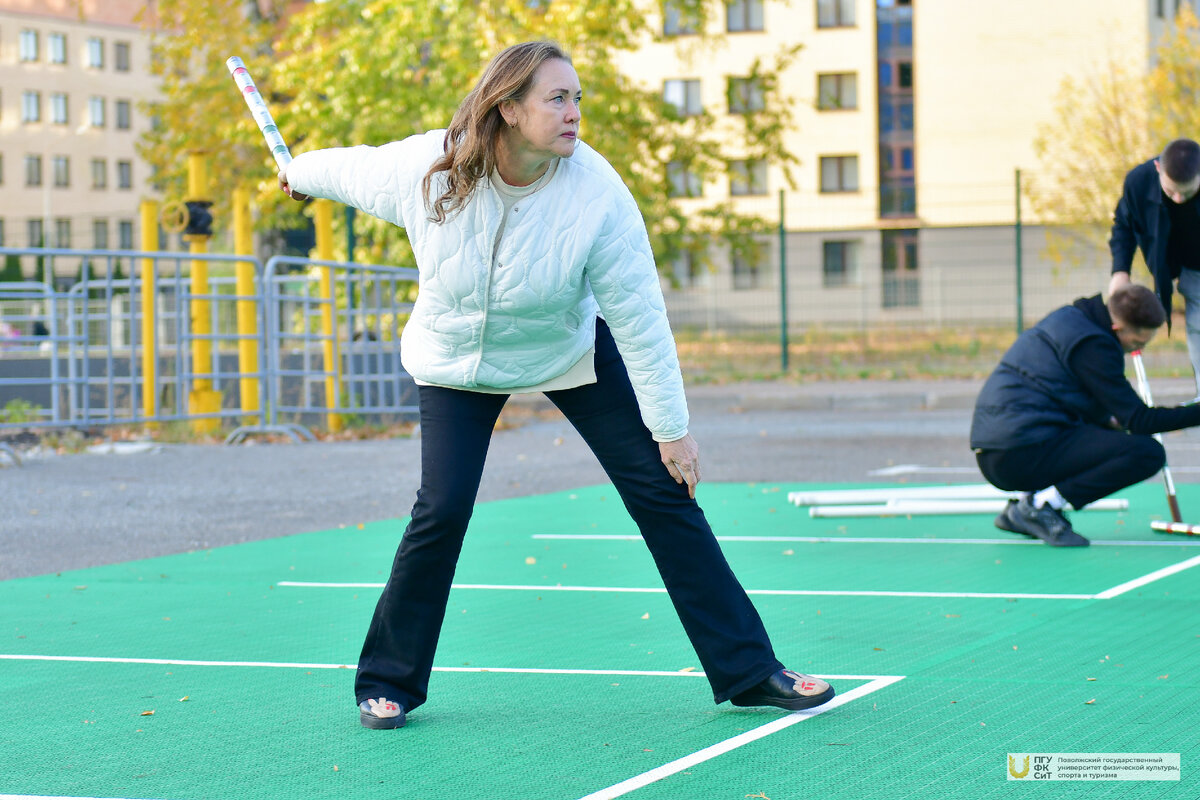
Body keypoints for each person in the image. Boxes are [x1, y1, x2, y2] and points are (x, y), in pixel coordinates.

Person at [278, 41, 834, 729]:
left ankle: (751, 671)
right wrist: (299, 172)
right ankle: (386, 681)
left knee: (666, 493)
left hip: (567, 351)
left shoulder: (598, 195)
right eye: (557, 99)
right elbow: (350, 169)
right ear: (508, 109)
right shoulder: (428, 168)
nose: (574, 114)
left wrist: (672, 430)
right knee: (442, 509)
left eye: (577, 99)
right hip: (458, 363)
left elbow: (640, 319)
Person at [970, 284, 1200, 547]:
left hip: (1002, 447)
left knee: (1113, 434)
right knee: (1147, 453)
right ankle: (1040, 505)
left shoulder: (1073, 318)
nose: (1140, 350)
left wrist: (1107, 421)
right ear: (1118, 328)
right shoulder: (1094, 345)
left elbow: (1067, 392)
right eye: (1137, 343)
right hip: (1018, 451)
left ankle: (1029, 504)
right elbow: (1140, 421)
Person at [1108, 138, 1200, 399]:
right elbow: (1123, 226)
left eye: (1188, 192)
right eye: (1171, 193)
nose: (1179, 199)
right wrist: (1120, 271)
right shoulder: (1138, 182)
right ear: (1158, 168)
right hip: (1171, 266)